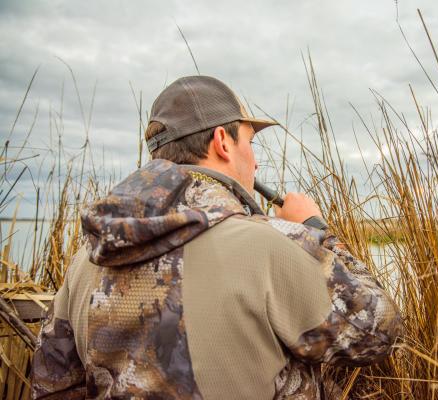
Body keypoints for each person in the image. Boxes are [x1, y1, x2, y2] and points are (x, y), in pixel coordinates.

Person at [31, 76, 402, 399]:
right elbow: (381, 331)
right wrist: (316, 231)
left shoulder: (86, 259)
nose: (255, 162)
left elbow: (52, 385)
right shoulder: (269, 245)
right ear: (223, 142)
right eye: (251, 143)